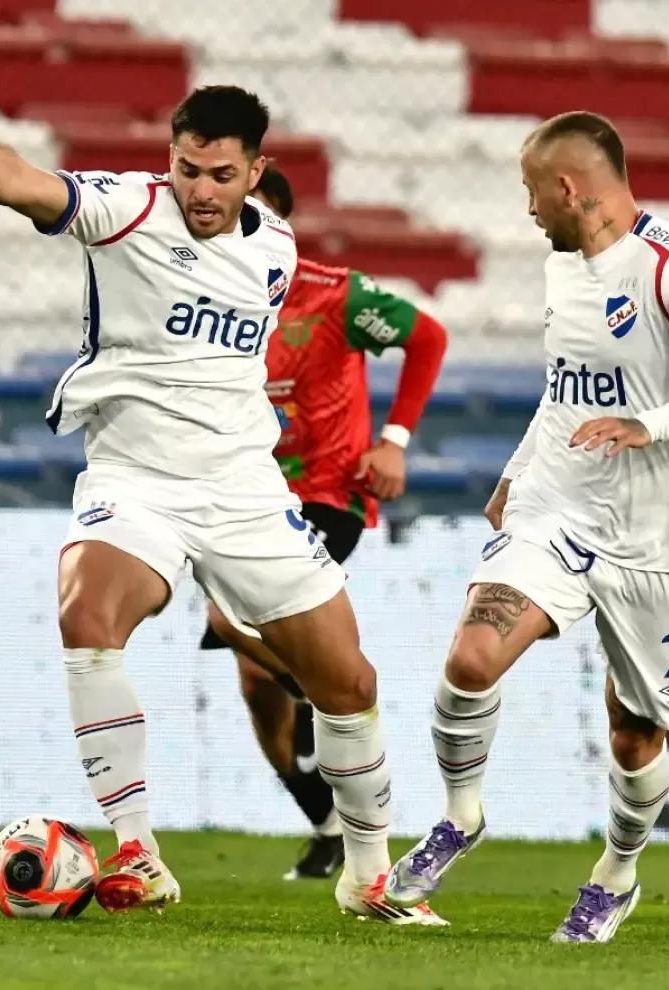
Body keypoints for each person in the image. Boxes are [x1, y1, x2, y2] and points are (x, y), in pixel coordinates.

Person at [0, 64, 445, 925]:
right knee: (86, 614)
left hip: (243, 488)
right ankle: (138, 852)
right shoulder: (126, 209)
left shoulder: (274, 249)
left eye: (221, 174)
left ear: (256, 172)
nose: (200, 189)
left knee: (347, 681)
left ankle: (368, 875)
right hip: (136, 477)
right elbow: (22, 183)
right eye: (187, 168)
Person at [381, 111, 669, 942]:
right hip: (559, 506)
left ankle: (616, 875)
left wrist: (650, 425)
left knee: (636, 732)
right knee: (471, 658)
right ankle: (460, 816)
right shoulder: (564, 266)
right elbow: (567, 388)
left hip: (660, 538)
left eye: (533, 192)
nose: (529, 210)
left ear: (568, 188)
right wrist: (518, 469)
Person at [197, 162, 449, 881]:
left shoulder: (335, 296)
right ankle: (326, 821)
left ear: (278, 223)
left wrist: (393, 441)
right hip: (241, 497)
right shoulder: (198, 301)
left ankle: (327, 688)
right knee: (256, 685)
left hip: (326, 495)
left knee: (229, 620)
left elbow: (428, 337)